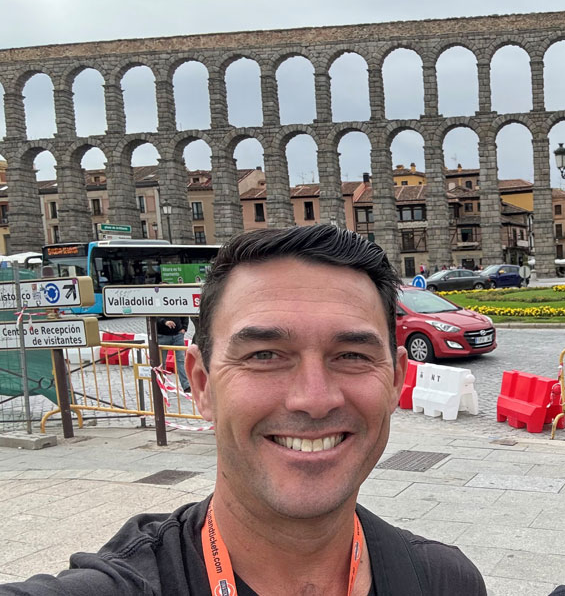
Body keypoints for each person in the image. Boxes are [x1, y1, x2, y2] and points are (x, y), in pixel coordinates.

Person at [0, 225, 486, 595]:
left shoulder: (448, 581)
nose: (314, 399)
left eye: (352, 356)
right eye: (264, 356)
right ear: (201, 383)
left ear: (397, 379)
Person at [157, 315, 190, 392]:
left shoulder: (177, 303)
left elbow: (184, 313)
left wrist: (184, 328)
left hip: (178, 335)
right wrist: (165, 322)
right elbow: (154, 316)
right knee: (161, 363)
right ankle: (161, 384)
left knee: (181, 361)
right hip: (162, 335)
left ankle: (186, 386)